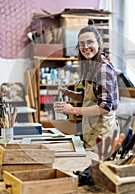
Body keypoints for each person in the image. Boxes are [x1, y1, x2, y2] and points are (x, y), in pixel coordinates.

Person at [54, 20, 119, 149]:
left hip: (103, 135)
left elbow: (105, 107)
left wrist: (73, 110)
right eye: (82, 43)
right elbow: (87, 97)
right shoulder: (90, 67)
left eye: (90, 42)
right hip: (91, 133)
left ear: (99, 43)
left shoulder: (103, 69)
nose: (85, 47)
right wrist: (69, 93)